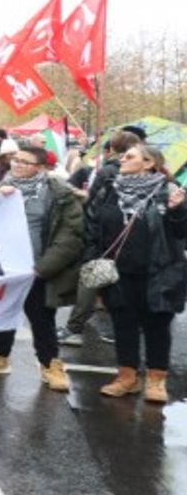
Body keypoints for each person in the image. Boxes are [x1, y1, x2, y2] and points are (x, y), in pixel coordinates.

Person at [0, 146, 84, 392]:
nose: (17, 165)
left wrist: (43, 267)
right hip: (4, 266)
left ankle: (50, 364)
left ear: (41, 168)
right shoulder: (1, 187)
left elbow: (70, 235)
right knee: (1, 311)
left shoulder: (59, 194)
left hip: (37, 268)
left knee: (41, 318)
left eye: (25, 162)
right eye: (15, 160)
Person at [82, 144, 187, 403]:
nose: (122, 159)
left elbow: (181, 233)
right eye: (123, 155)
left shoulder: (168, 191)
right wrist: (93, 257)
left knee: (157, 327)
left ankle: (156, 380)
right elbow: (91, 225)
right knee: (123, 324)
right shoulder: (109, 190)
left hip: (159, 272)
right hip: (118, 272)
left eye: (129, 156)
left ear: (149, 163)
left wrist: (178, 210)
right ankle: (127, 378)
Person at [57, 130, 143, 346]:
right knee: (114, 282)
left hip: (106, 239)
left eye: (129, 157)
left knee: (93, 279)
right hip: (119, 240)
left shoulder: (109, 172)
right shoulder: (143, 176)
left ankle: (76, 327)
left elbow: (93, 203)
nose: (124, 160)